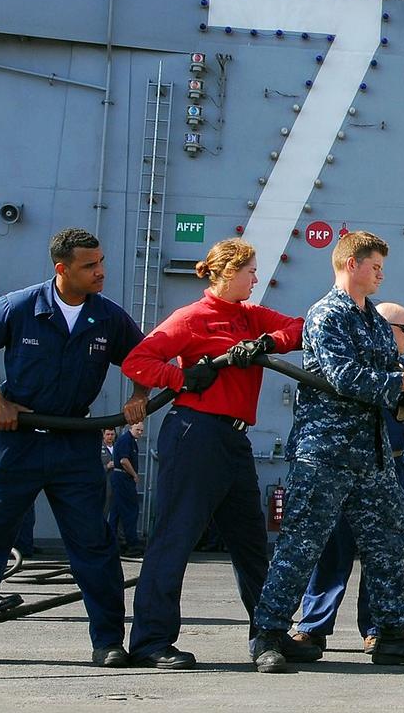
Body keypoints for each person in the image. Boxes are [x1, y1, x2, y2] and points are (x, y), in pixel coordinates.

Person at [249, 231, 404, 673]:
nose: (380, 274)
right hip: (326, 454)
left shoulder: (374, 320)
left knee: (387, 544)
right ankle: (269, 635)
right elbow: (346, 378)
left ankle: (391, 632)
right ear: (352, 263)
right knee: (302, 544)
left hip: (372, 457)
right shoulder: (327, 315)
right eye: (375, 265)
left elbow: (385, 372)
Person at [120, 238, 315, 670]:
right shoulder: (191, 319)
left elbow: (301, 329)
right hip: (195, 434)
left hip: (233, 441)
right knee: (175, 538)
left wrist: (264, 343)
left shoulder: (250, 317)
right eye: (250, 272)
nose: (256, 278)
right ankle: (151, 642)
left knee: (250, 544)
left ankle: (270, 633)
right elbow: (137, 361)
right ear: (228, 273)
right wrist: (182, 377)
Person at [0, 228, 148, 667]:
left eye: (100, 262)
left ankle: (108, 643)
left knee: (93, 545)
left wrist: (137, 396)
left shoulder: (108, 317)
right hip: (17, 442)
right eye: (89, 266)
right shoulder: (19, 307)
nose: (101, 272)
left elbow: (144, 357)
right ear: (62, 269)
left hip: (75, 446)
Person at [292, 302, 404, 655]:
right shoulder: (352, 371)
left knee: (383, 555)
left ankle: (376, 630)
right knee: (331, 549)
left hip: (388, 470)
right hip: (342, 471)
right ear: (385, 328)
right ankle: (313, 626)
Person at [107, 422, 144, 556]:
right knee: (130, 510)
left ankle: (112, 543)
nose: (140, 433)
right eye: (138, 430)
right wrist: (134, 474)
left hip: (120, 478)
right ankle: (132, 543)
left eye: (141, 430)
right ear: (130, 428)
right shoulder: (126, 441)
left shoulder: (129, 441)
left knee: (116, 512)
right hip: (124, 478)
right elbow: (123, 460)